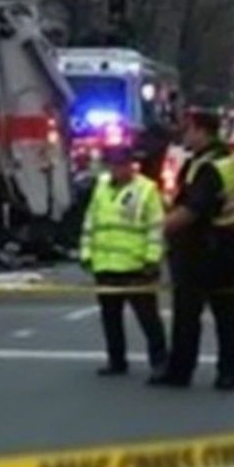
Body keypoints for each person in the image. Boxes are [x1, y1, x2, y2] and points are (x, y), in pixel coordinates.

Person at [151, 109, 234, 391]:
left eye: (188, 129)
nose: (184, 134)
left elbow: (192, 210)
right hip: (225, 247)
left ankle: (180, 371)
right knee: (226, 315)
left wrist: (157, 229)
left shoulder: (209, 167)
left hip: (203, 249)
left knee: (188, 314)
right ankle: (227, 373)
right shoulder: (220, 161)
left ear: (202, 131)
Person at [80, 146, 168, 378]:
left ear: (132, 164)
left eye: (123, 164)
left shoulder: (146, 189)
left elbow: (155, 228)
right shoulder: (101, 187)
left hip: (135, 266)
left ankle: (160, 362)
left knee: (148, 318)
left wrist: (151, 259)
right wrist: (86, 253)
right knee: (110, 318)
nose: (119, 169)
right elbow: (91, 221)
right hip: (105, 264)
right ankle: (116, 360)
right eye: (115, 165)